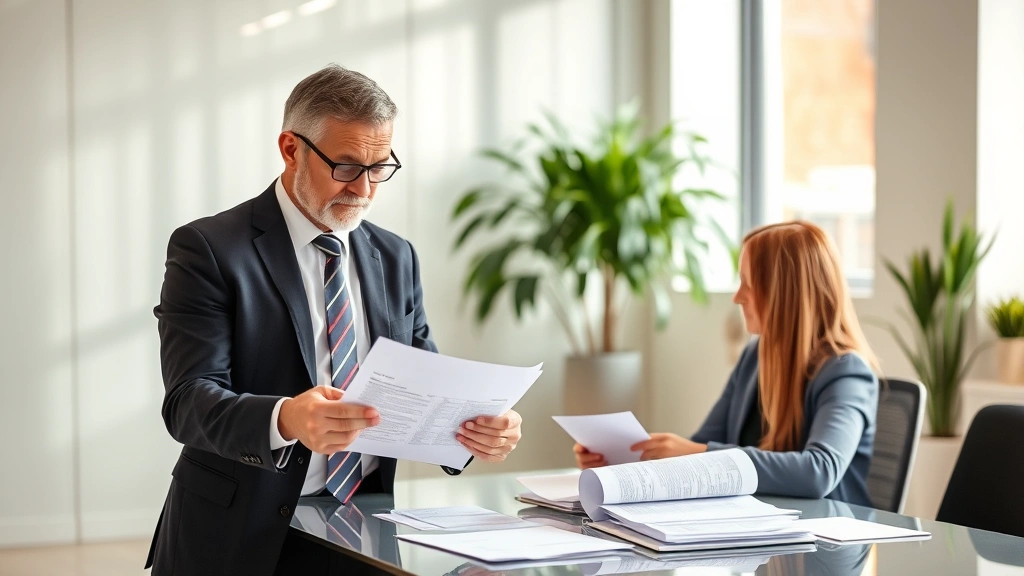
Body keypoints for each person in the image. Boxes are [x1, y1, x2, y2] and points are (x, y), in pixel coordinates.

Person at [146, 65, 523, 576]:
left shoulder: (396, 256)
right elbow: (188, 402)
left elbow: (426, 386)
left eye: (380, 167)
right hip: (237, 537)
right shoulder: (210, 249)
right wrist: (286, 418)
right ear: (291, 149)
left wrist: (476, 428)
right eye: (345, 166)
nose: (364, 189)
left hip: (361, 531)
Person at [574, 221, 880, 506]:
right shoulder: (755, 357)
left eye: (748, 282)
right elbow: (704, 443)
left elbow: (819, 472)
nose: (737, 297)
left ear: (784, 292)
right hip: (755, 527)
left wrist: (700, 453)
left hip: (824, 536)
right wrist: (624, 458)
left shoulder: (846, 373)